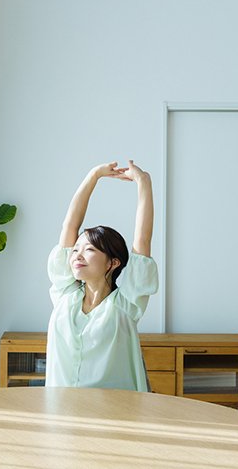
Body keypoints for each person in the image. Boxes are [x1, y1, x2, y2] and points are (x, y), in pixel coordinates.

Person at [45, 160, 158, 391]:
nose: (77, 255)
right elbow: (70, 225)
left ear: (113, 263)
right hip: (62, 414)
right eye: (76, 249)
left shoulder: (126, 305)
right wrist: (93, 176)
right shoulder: (65, 296)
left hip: (113, 416)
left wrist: (144, 183)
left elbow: (142, 241)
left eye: (89, 250)